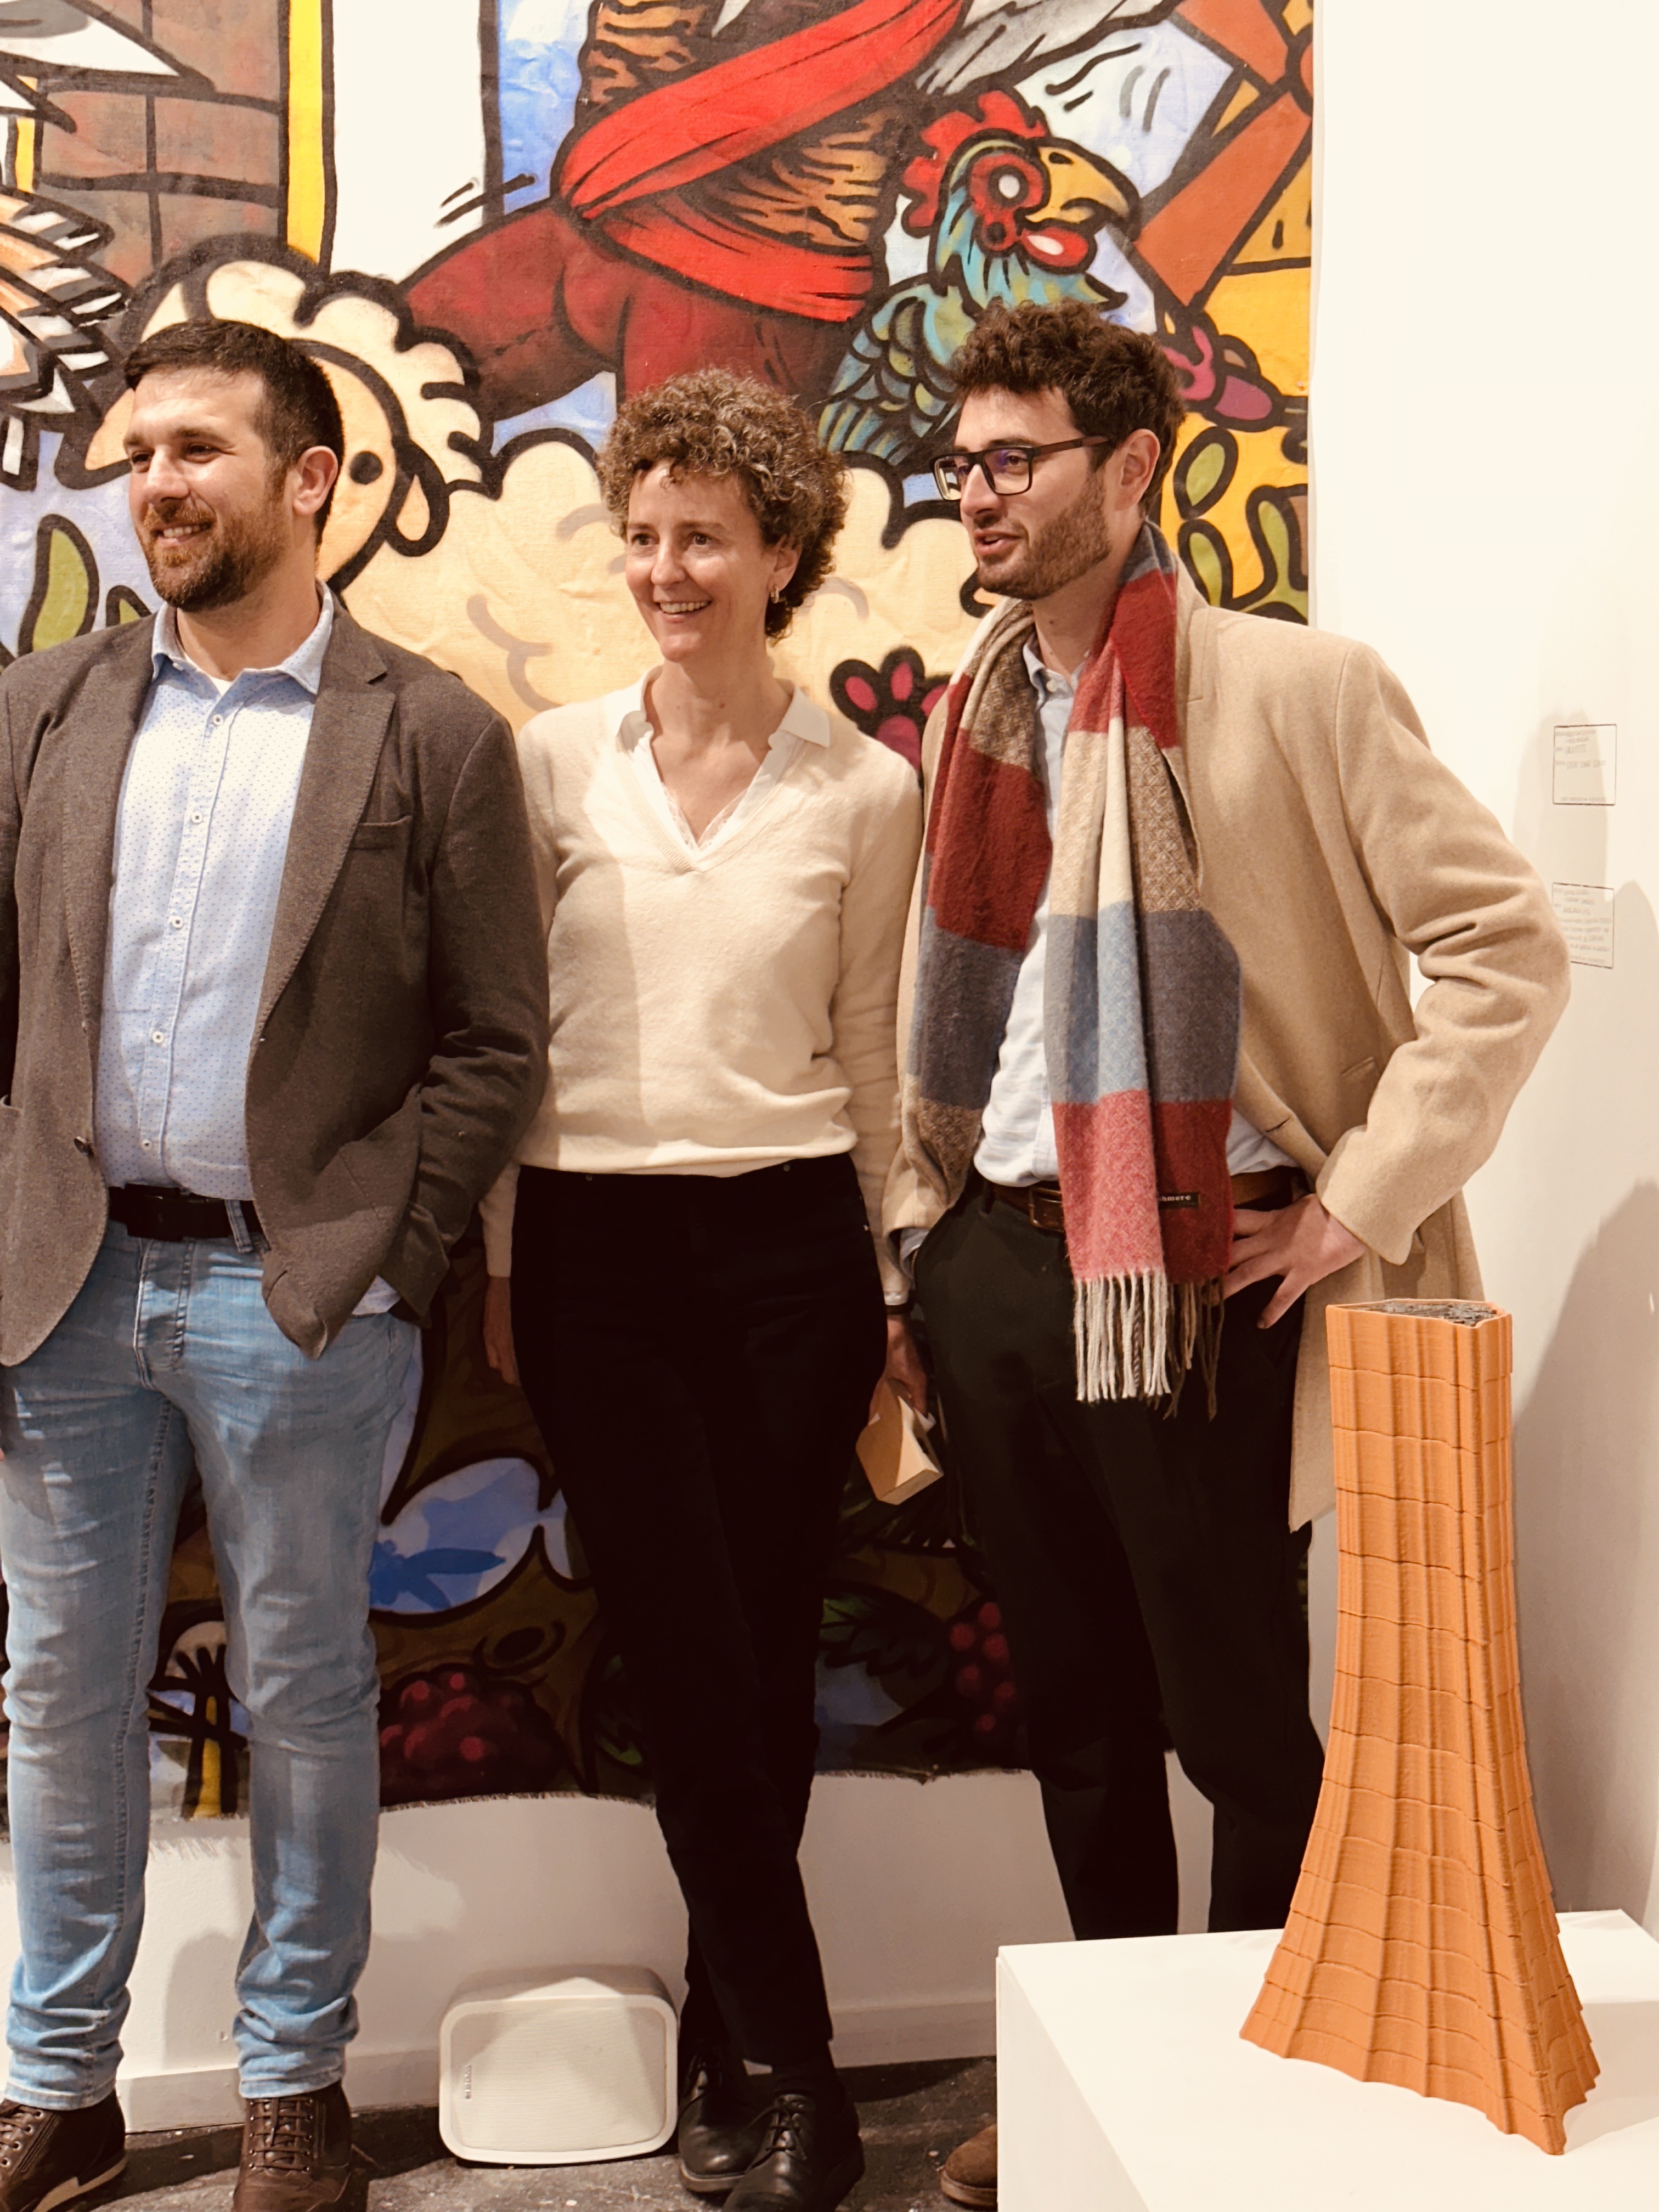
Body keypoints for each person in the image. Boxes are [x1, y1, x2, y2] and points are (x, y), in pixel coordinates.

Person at [880, 300, 1570, 2211]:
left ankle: (1249, 2079)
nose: (977, 493)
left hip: (1196, 1281)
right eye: (962, 461)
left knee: (1241, 1727)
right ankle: (1100, 2075)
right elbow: (954, 1015)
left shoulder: (1297, 688)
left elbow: (1504, 948)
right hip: (1003, 1269)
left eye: (1015, 459)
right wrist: (921, 1251)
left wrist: (1358, 1198)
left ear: (1131, 470)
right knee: (1078, 1722)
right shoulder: (978, 708)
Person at [0, 319, 548, 2212]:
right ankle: (57, 2086)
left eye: (198, 449)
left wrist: (392, 1252)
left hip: (297, 1295)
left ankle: (293, 2088)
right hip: (63, 1292)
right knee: (57, 1692)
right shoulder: (47, 709)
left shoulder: (432, 731)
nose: (154, 482)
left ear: (310, 479)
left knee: (306, 1689)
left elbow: (494, 1038)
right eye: (139, 450)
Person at [480, 369, 922, 2212]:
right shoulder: (548, 764)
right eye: (643, 535)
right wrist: (507, 1258)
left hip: (792, 1253)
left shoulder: (869, 788)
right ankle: (807, 2071)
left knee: (756, 1650)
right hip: (595, 1252)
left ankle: (734, 2029)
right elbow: (509, 1036)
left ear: (782, 552)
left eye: (705, 538)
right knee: (678, 1648)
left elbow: (875, 1050)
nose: (666, 569)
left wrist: (892, 1280)